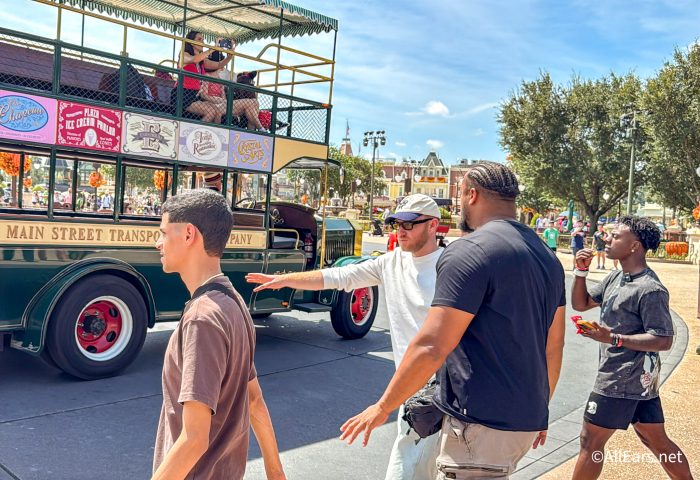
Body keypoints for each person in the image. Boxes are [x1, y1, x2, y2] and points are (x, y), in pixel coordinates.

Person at [339, 162, 566, 479]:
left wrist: (382, 407)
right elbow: (554, 345)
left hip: (479, 423)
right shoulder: (546, 257)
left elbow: (432, 345)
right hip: (523, 421)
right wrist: (540, 408)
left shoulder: (470, 251)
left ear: (472, 195)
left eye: (460, 195)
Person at [246, 193, 445, 480]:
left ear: (433, 225)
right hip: (413, 393)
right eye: (396, 224)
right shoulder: (391, 263)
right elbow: (339, 276)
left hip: (445, 393)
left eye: (409, 224)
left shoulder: (448, 268)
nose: (400, 230)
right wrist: (285, 279)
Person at [152, 189, 285, 480]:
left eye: (163, 233)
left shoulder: (202, 318)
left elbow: (194, 439)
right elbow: (254, 399)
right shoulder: (233, 302)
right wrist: (276, 472)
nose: (157, 242)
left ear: (189, 234)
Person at [570, 216, 692, 480]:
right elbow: (581, 304)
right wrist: (580, 271)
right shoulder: (617, 277)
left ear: (635, 246)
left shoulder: (650, 289)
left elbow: (664, 339)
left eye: (615, 236)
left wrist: (612, 338)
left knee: (590, 441)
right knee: (656, 442)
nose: (607, 239)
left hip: (621, 378)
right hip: (637, 381)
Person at [174, 31, 233, 124]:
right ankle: (196, 131)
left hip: (194, 96)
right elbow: (194, 59)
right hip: (182, 94)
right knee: (211, 111)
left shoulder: (202, 61)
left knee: (217, 111)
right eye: (199, 39)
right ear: (191, 42)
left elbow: (219, 65)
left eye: (203, 40)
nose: (202, 42)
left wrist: (229, 57)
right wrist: (213, 48)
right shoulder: (184, 55)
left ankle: (213, 132)